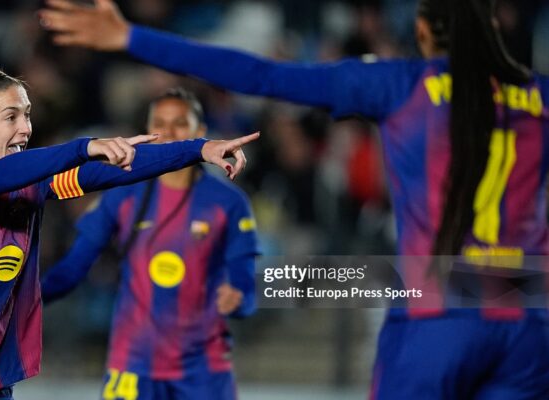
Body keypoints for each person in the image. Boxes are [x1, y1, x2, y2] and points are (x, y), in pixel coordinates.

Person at [38, 0, 549, 398]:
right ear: (495, 27)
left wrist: (131, 36)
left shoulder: (399, 84)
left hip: (437, 309)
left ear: (421, 30)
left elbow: (260, 75)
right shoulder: (541, 96)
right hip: (527, 313)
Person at [0, 67, 259, 400]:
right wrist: (83, 147)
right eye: (10, 117)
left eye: (27, 115)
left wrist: (199, 149)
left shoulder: (37, 181)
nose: (25, 128)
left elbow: (117, 168)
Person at [42, 87, 259, 400]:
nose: (170, 131)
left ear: (201, 133)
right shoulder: (122, 193)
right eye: (160, 122)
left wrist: (238, 300)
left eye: (180, 123)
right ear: (147, 132)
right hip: (133, 365)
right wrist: (28, 302)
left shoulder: (229, 202)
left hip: (204, 370)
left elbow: (245, 287)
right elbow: (74, 267)